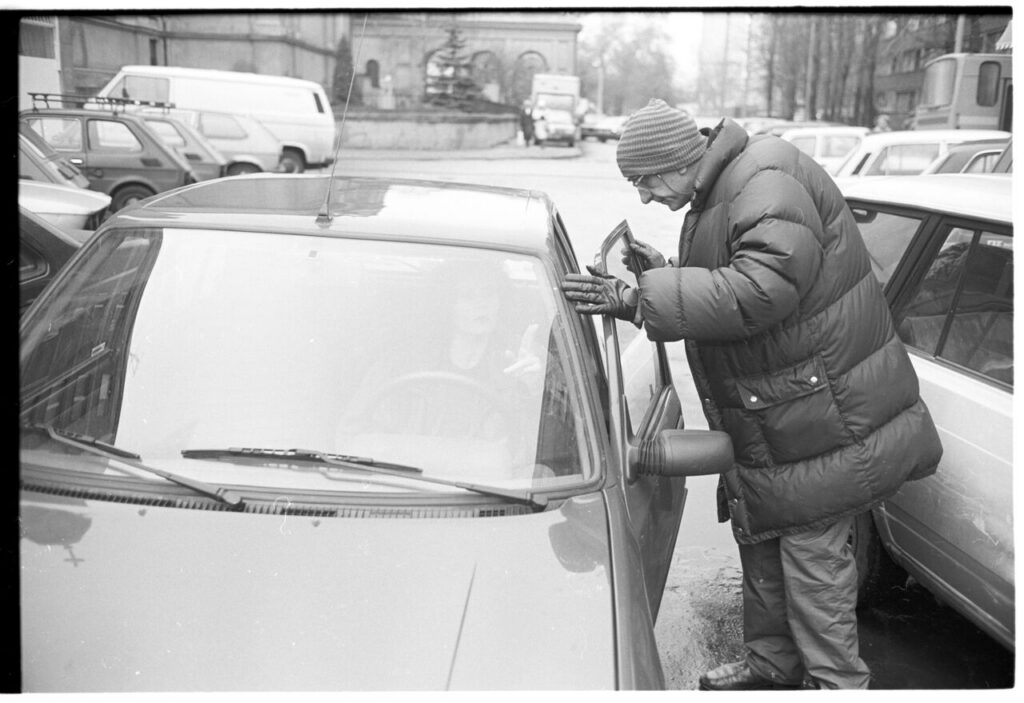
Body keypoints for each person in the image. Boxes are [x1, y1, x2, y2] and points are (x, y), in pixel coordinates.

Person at [561, 99, 943, 690]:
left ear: (677, 160)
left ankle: (837, 688)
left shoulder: (765, 179)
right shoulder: (728, 182)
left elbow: (762, 289)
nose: (643, 196)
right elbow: (741, 266)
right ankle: (772, 667)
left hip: (820, 420)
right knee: (762, 541)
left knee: (814, 571)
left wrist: (642, 299)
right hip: (784, 412)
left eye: (643, 180)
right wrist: (664, 268)